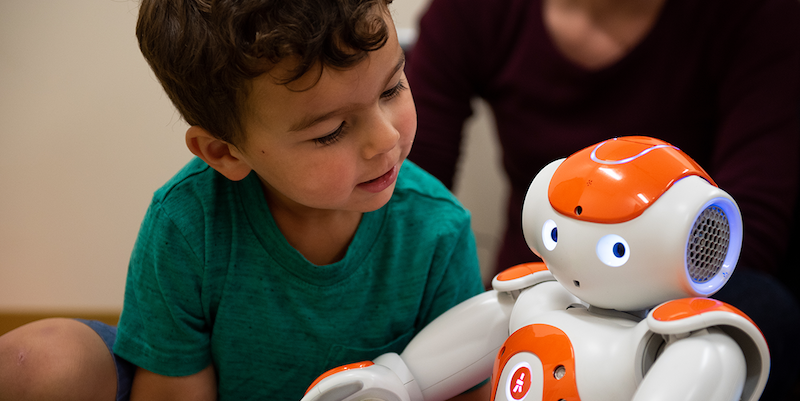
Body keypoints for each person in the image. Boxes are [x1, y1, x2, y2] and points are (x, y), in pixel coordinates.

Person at [0, 1, 489, 400]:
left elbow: (465, 387)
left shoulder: (437, 230)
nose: (385, 141)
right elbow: (174, 393)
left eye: (393, 87)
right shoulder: (188, 225)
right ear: (223, 152)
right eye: (331, 131)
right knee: (35, 361)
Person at [405, 0, 800, 398]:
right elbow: (411, 191)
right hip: (549, 276)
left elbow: (753, 220)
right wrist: (402, 378)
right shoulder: (476, 12)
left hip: (677, 297)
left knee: (757, 310)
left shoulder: (756, 15)